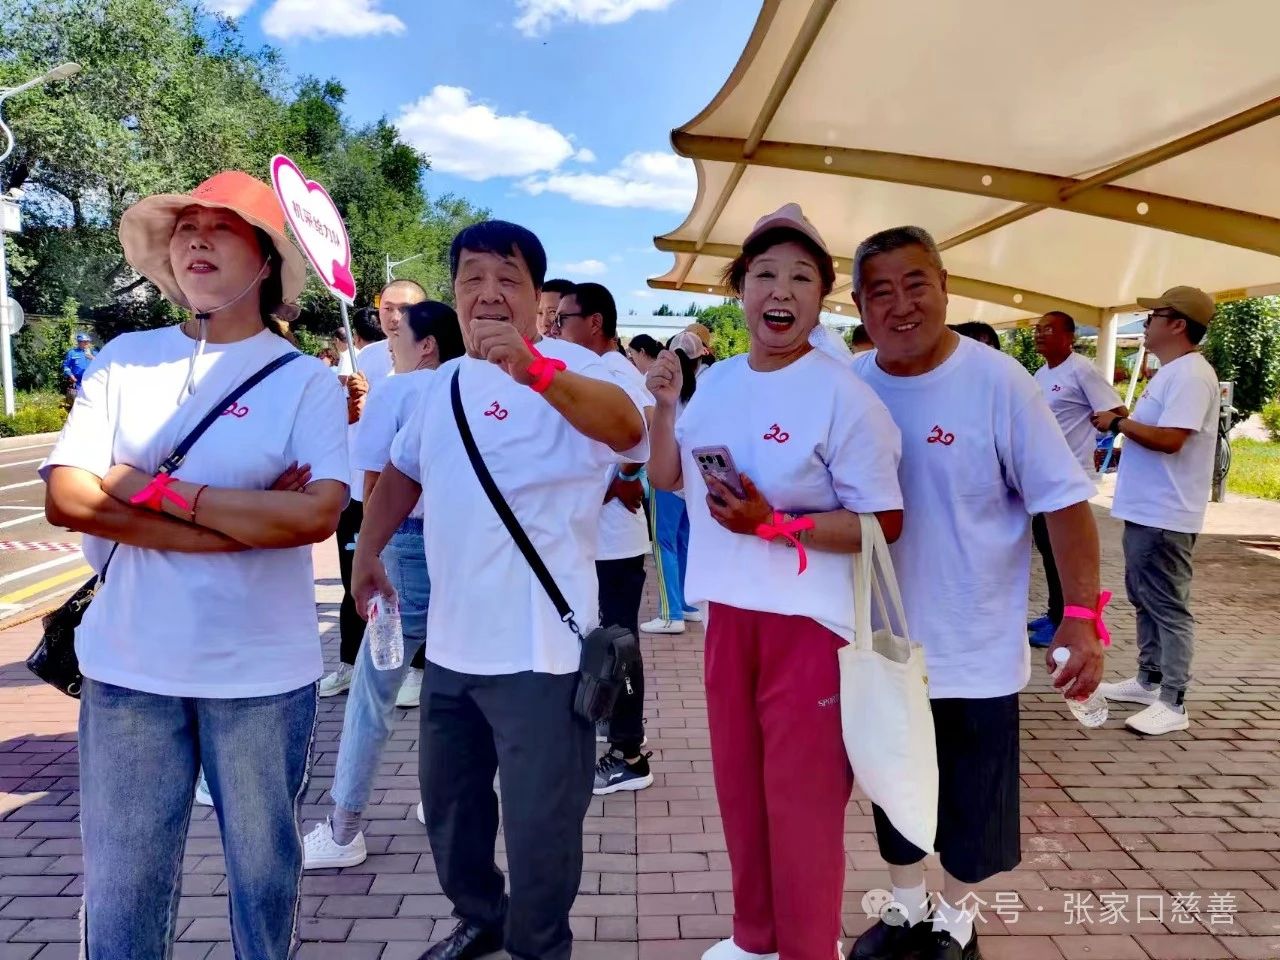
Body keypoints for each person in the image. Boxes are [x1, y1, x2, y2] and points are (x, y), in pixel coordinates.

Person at [41, 171, 348, 959]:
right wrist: (234, 526)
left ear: (266, 259)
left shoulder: (305, 381)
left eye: (222, 227)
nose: (197, 239)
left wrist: (148, 488)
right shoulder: (125, 360)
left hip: (261, 676)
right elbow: (69, 498)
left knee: (264, 879)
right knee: (125, 885)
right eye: (186, 227)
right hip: (128, 668)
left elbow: (314, 515)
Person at [351, 220, 646, 960]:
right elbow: (403, 472)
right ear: (454, 292)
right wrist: (368, 550)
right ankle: (480, 917)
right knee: (452, 811)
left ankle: (538, 944)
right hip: (452, 650)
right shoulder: (440, 384)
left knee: (541, 826)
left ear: (536, 295)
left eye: (507, 280)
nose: (487, 294)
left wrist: (534, 370)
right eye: (472, 279)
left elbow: (628, 432)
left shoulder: (578, 369)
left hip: (541, 653)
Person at [647, 204, 904, 960]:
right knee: (741, 790)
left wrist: (773, 524)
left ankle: (808, 948)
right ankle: (754, 938)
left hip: (810, 628)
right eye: (764, 274)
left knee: (802, 805)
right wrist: (663, 410)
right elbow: (669, 478)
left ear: (822, 296)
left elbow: (884, 521)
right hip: (729, 616)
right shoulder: (719, 381)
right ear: (740, 289)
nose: (780, 291)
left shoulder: (844, 395)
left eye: (800, 277)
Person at [848, 226, 1105, 960]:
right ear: (859, 306)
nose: (901, 305)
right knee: (892, 783)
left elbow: (1064, 503)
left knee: (973, 800)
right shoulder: (850, 385)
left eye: (915, 284)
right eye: (880, 292)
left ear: (944, 287)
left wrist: (1080, 616)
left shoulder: (999, 382)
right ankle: (905, 909)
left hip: (975, 643)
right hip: (881, 641)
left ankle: (956, 923)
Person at [303, 299, 466, 868]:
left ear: (427, 345)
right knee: (453, 682)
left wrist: (366, 552)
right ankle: (442, 798)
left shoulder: (398, 392)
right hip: (466, 549)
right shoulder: (474, 386)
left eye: (399, 336)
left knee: (373, 690)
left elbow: (375, 480)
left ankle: (344, 827)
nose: (390, 345)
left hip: (406, 548)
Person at [1096, 286, 1220, 736]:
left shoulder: (1190, 375)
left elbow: (1170, 440)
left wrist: (1118, 423)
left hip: (1166, 514)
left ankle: (1173, 700)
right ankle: (1149, 681)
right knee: (1145, 597)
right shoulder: (1173, 372)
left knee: (1167, 605)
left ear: (1178, 324)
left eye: (1153, 317)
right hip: (1149, 510)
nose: (1146, 325)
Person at [555, 281, 656, 795]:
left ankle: (629, 753)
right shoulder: (594, 370)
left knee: (619, 648)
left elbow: (648, 430)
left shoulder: (613, 371)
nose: (554, 329)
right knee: (608, 644)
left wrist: (624, 478)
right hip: (599, 540)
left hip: (614, 542)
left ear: (594, 323)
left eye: (562, 319)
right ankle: (615, 728)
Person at [320, 285, 422, 698]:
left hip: (405, 495)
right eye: (387, 308)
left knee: (407, 584)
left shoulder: (432, 359)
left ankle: (415, 669)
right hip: (360, 487)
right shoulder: (363, 358)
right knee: (355, 579)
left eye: (405, 308)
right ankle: (349, 663)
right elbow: (341, 420)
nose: (394, 317)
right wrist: (350, 406)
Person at [1030, 311, 1125, 647]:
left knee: (1062, 550)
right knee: (1046, 545)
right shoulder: (1041, 373)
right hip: (1043, 473)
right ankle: (1054, 611)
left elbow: (1117, 412)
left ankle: (1063, 620)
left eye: (1049, 329)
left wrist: (1097, 431)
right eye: (1038, 329)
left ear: (1069, 337)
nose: (1040, 334)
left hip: (1069, 474)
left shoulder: (1081, 369)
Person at [641, 330, 706, 635]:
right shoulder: (704, 391)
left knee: (664, 542)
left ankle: (670, 612)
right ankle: (688, 605)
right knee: (684, 540)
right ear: (698, 360)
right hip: (692, 479)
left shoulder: (661, 390)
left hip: (667, 476)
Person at [60, 332, 95, 406]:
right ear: (79, 342)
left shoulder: (94, 352)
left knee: (91, 402)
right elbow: (66, 366)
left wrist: (92, 357)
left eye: (88, 341)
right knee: (77, 403)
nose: (86, 343)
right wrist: (71, 375)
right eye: (84, 341)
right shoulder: (72, 353)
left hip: (91, 381)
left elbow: (102, 364)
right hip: (77, 382)